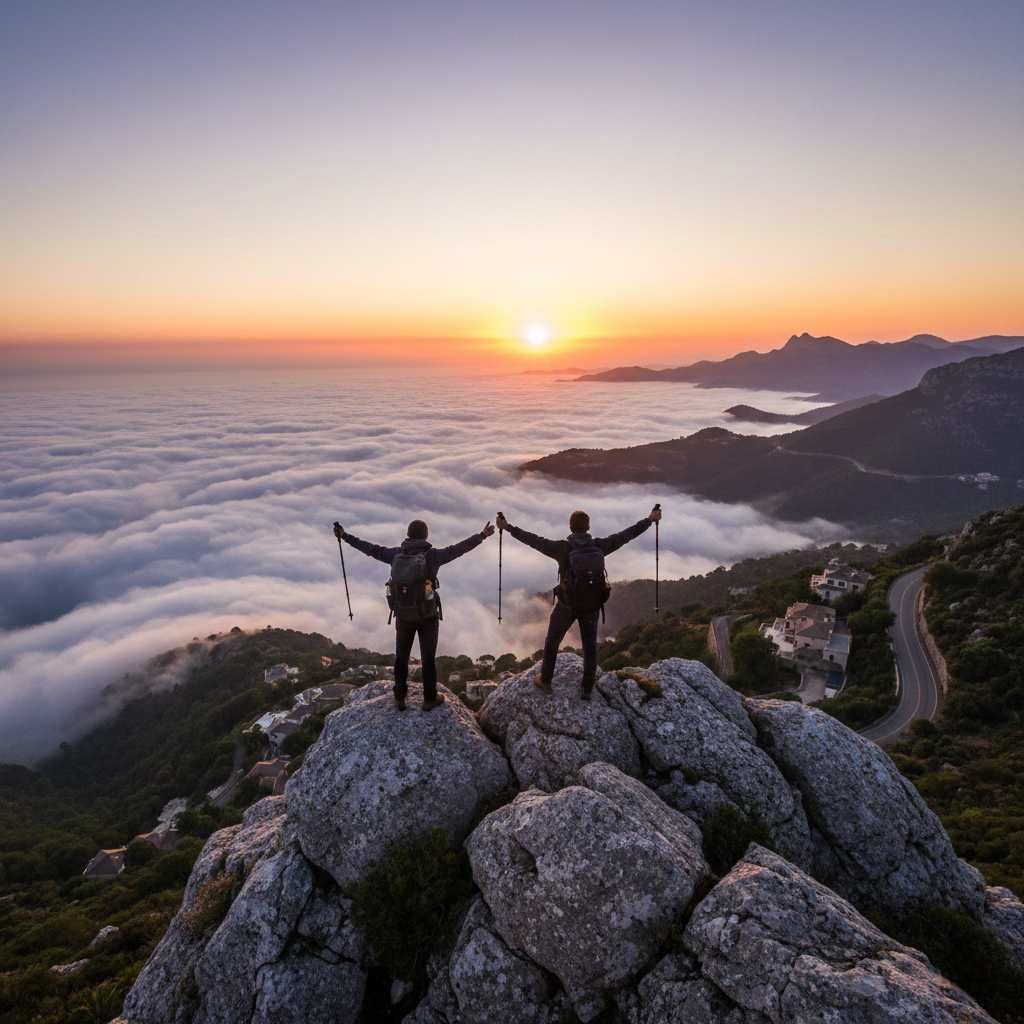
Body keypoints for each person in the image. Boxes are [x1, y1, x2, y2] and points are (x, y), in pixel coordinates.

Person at [496, 506, 661, 699]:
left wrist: (508, 527)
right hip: (591, 606)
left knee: (552, 641)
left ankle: (546, 680)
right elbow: (626, 535)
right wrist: (649, 520)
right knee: (590, 646)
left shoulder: (561, 548)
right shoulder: (600, 546)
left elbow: (533, 540)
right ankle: (587, 687)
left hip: (567, 605)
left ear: (570, 527)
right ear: (588, 527)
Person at [333, 518, 495, 711]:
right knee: (428, 658)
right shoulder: (432, 556)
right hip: (428, 615)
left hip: (403, 615)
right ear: (426, 536)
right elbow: (457, 549)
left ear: (408, 535)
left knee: (401, 657)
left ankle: (400, 697)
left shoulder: (396, 554)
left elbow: (372, 549)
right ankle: (429, 698)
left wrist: (345, 536)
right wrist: (482, 535)